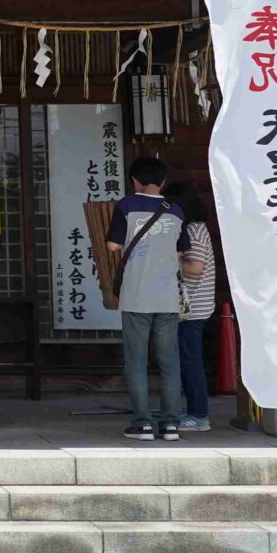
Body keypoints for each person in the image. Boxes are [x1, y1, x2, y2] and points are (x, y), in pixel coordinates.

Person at [106, 156, 199, 441]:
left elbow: (112, 246)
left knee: (136, 361)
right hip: (167, 296)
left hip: (136, 294)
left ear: (134, 180)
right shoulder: (176, 211)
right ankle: (171, 424)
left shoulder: (126, 206)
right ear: (163, 182)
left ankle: (143, 424)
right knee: (169, 361)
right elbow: (181, 252)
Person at [166, 177, 219, 432]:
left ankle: (199, 415)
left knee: (189, 360)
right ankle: (191, 411)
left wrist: (167, 261)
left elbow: (194, 269)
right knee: (188, 358)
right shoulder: (196, 227)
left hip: (192, 308)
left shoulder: (193, 230)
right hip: (194, 306)